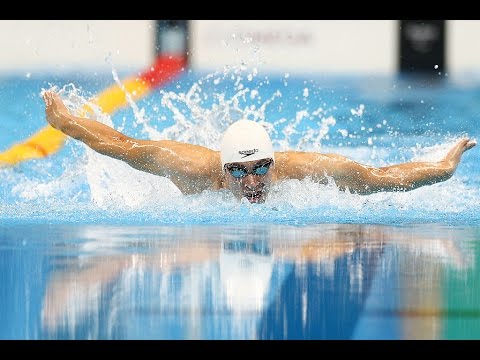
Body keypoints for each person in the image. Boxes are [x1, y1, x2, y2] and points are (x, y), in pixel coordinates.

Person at [43, 90, 476, 204]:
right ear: (222, 167)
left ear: (274, 162)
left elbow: (377, 179)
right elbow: (121, 144)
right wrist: (64, 122)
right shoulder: (190, 167)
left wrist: (442, 169)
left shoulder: (300, 169)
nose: (251, 181)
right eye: (237, 171)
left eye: (260, 168)